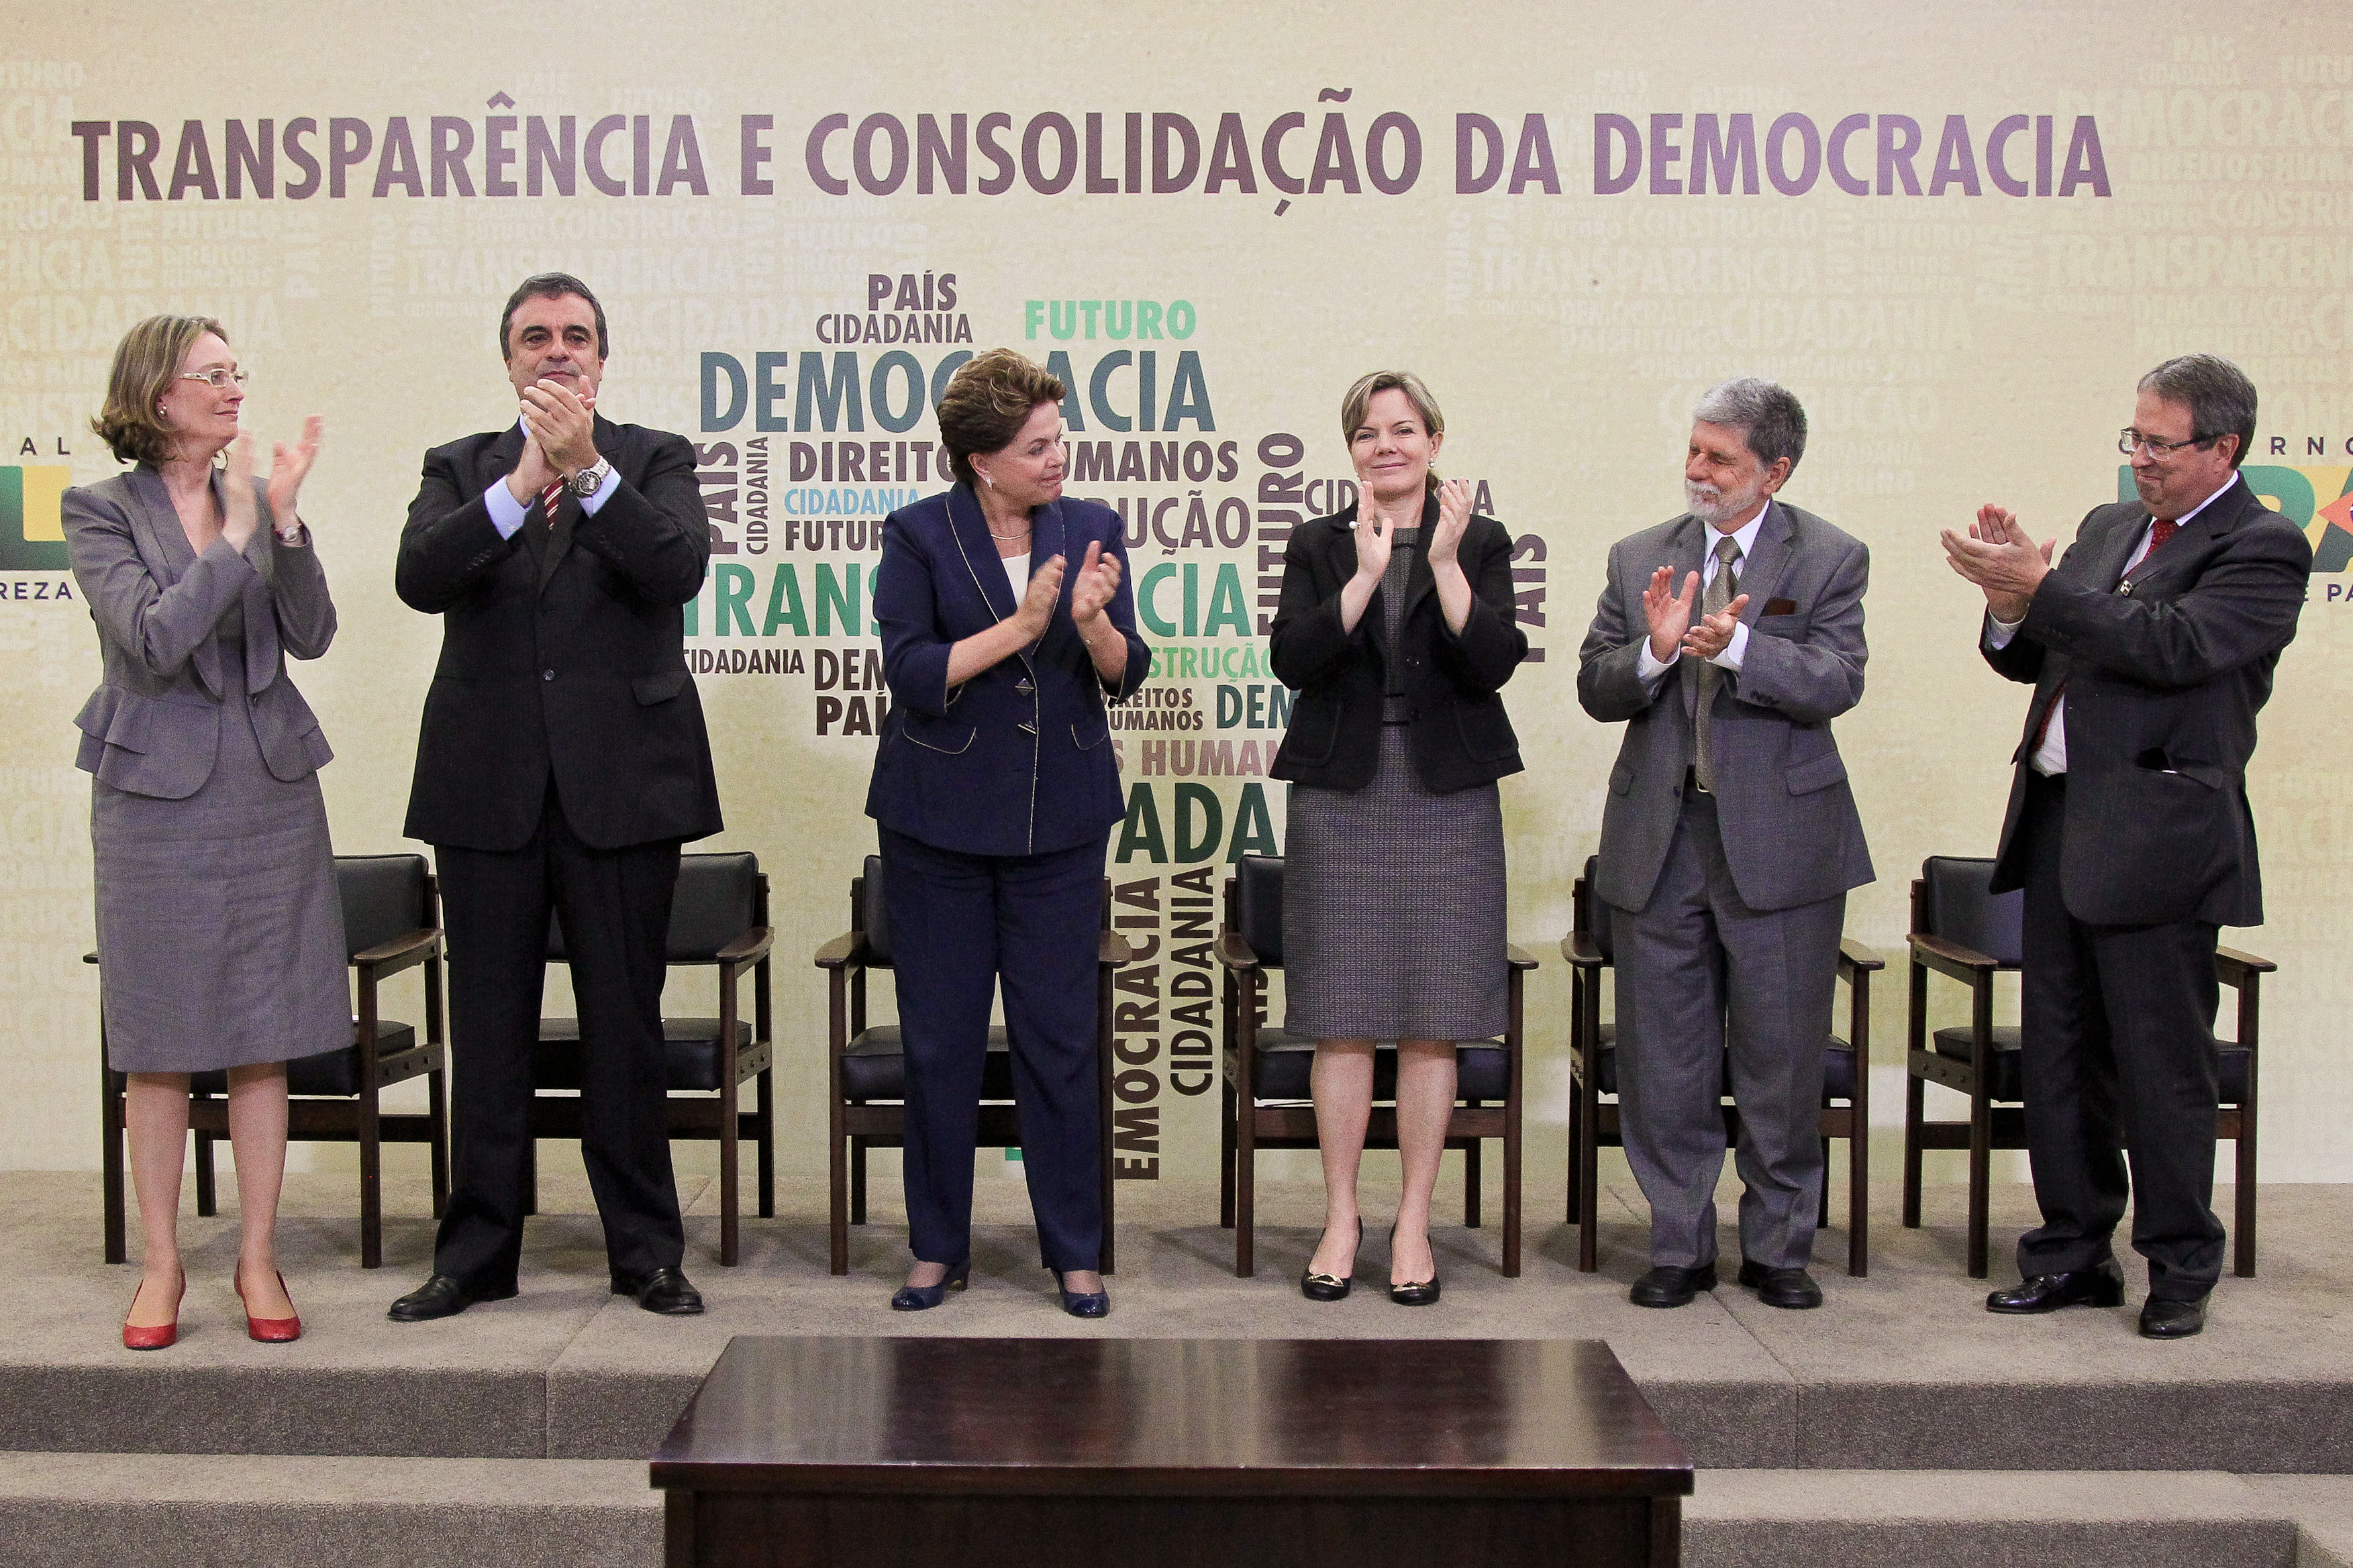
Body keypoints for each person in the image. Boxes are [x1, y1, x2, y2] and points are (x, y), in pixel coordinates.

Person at [1942, 354, 2309, 1339]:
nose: (2139, 458)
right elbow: (2034, 652)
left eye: (2159, 442)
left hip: (2160, 835)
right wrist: (2011, 598)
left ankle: (2181, 1263)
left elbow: (2173, 648)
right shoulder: (2111, 529)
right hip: (2062, 818)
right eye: (2132, 438)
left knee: (2159, 1064)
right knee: (2061, 1055)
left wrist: (2046, 587)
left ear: (2221, 447)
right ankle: (2071, 1252)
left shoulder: (2263, 546)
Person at [389, 273, 722, 1322]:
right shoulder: (460, 467)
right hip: (486, 787)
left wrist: (583, 473)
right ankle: (478, 1251)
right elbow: (419, 574)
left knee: (625, 1026)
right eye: (536, 337)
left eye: (576, 336)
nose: (557, 352)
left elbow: (676, 569)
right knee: (490, 1030)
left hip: (625, 787)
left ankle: (644, 1251)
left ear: (603, 359)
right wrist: (520, 478)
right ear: (508, 358)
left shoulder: (654, 458)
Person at [65, 314, 340, 1349]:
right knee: (161, 1044)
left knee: (263, 1037)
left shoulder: (254, 502)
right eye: (213, 374)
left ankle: (257, 1257)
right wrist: (232, 539)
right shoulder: (95, 511)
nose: (234, 389)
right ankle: (162, 1263)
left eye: (239, 372)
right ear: (158, 393)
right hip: (153, 803)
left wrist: (287, 523)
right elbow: (151, 641)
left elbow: (311, 632)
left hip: (268, 794)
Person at [1577, 377, 1871, 1312]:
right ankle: (1678, 1244)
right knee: (1665, 1058)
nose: (1696, 471)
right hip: (1659, 841)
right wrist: (1658, 652)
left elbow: (1835, 679)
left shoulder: (1829, 556)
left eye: (1719, 458)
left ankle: (1779, 1246)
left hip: (1782, 844)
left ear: (1772, 471)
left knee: (1779, 1055)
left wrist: (1739, 649)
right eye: (1694, 451)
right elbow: (1596, 684)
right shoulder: (1638, 557)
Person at [865, 348, 1146, 1318]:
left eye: (1060, 438)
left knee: (1059, 1043)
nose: (1057, 457)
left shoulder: (1092, 525)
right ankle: (937, 1246)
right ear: (981, 459)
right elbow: (910, 670)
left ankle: (1075, 1251)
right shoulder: (915, 534)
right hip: (935, 823)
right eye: (1036, 446)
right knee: (940, 1046)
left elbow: (1123, 669)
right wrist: (1023, 627)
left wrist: (1090, 624)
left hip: (1059, 821)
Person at [1267, 370, 1528, 1306]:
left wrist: (1445, 565)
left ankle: (1412, 1219)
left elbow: (1493, 661)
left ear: (1433, 440)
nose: (1387, 445)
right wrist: (1368, 573)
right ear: (1351, 449)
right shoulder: (1317, 542)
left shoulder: (1482, 540)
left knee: (1432, 1018)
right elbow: (1292, 657)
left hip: (1446, 800)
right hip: (1342, 797)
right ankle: (1342, 1217)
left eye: (1404, 429)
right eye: (1369, 432)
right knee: (1339, 1016)